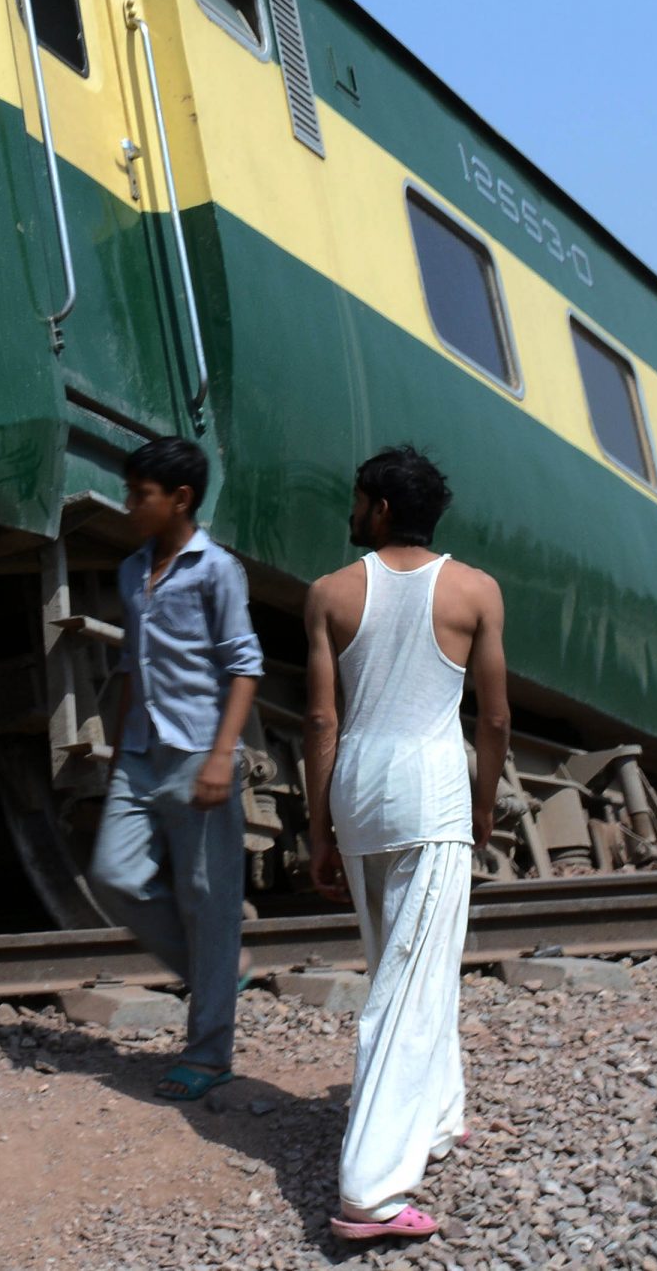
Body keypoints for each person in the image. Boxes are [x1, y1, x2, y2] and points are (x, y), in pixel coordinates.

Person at [302, 446, 511, 1245]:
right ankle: (373, 1191)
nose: (352, 512)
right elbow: (492, 718)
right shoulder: (474, 590)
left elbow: (322, 721)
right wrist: (486, 802)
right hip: (431, 790)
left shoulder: (330, 593)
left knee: (406, 961)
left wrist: (320, 828)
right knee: (411, 985)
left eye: (358, 500)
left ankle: (438, 1117)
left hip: (359, 787)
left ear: (381, 508)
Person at [88, 436, 266, 1100]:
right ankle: (216, 970)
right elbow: (134, 665)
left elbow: (244, 666)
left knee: (208, 901)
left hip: (199, 751)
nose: (131, 505)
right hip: (140, 751)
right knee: (111, 873)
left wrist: (223, 756)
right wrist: (117, 751)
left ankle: (209, 1051)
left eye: (142, 495)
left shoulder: (217, 569)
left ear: (181, 499)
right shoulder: (134, 571)